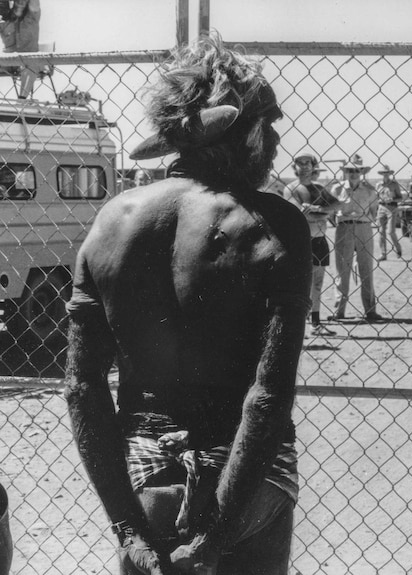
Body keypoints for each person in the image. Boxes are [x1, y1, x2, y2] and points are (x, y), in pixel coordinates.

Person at [64, 35, 311, 575]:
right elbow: (266, 399)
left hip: (146, 478)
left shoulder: (112, 222)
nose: (271, 141)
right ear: (241, 132)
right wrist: (217, 535)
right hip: (248, 486)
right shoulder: (273, 223)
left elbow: (82, 389)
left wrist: (129, 528)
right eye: (265, 127)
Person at [285, 151, 342, 337]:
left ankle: (315, 323)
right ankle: (297, 323)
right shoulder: (291, 188)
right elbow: (300, 214)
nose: (304, 166)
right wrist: (322, 213)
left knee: (317, 284)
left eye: (307, 163)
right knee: (299, 284)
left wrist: (319, 210)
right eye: (300, 163)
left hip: (319, 241)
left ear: (313, 166)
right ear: (295, 167)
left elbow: (336, 205)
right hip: (301, 241)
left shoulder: (318, 188)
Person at [329, 154, 384, 322]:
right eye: (350, 170)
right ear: (345, 172)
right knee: (342, 270)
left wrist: (361, 219)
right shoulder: (337, 189)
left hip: (364, 229)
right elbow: (331, 212)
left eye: (357, 170)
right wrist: (342, 219)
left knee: (366, 269)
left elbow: (374, 212)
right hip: (344, 229)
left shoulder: (370, 190)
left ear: (361, 172)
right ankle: (339, 311)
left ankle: (370, 311)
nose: (353, 173)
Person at [0, 0, 40, 98]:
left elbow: (34, 5)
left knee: (31, 65)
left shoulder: (32, 15)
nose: (20, 2)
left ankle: (22, 101)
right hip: (9, 61)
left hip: (29, 59)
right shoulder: (5, 21)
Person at [375, 164, 403, 260]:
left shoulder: (394, 184)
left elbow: (400, 198)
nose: (385, 175)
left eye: (386, 173)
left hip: (392, 208)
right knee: (381, 232)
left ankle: (398, 248)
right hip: (381, 208)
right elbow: (376, 197)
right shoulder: (378, 185)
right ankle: (383, 253)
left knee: (391, 231)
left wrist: (392, 200)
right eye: (383, 173)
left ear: (389, 174)